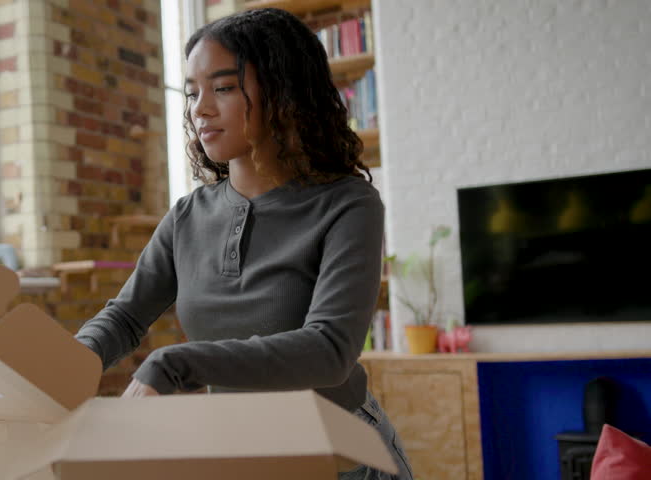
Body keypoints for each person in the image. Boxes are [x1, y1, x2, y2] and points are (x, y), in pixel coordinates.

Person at [75, 7, 413, 480]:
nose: (200, 109)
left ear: (284, 90)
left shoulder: (348, 204)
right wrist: (68, 364)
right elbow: (125, 316)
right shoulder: (187, 216)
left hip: (341, 452)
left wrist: (176, 363)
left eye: (224, 87)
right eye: (193, 93)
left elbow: (329, 351)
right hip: (237, 447)